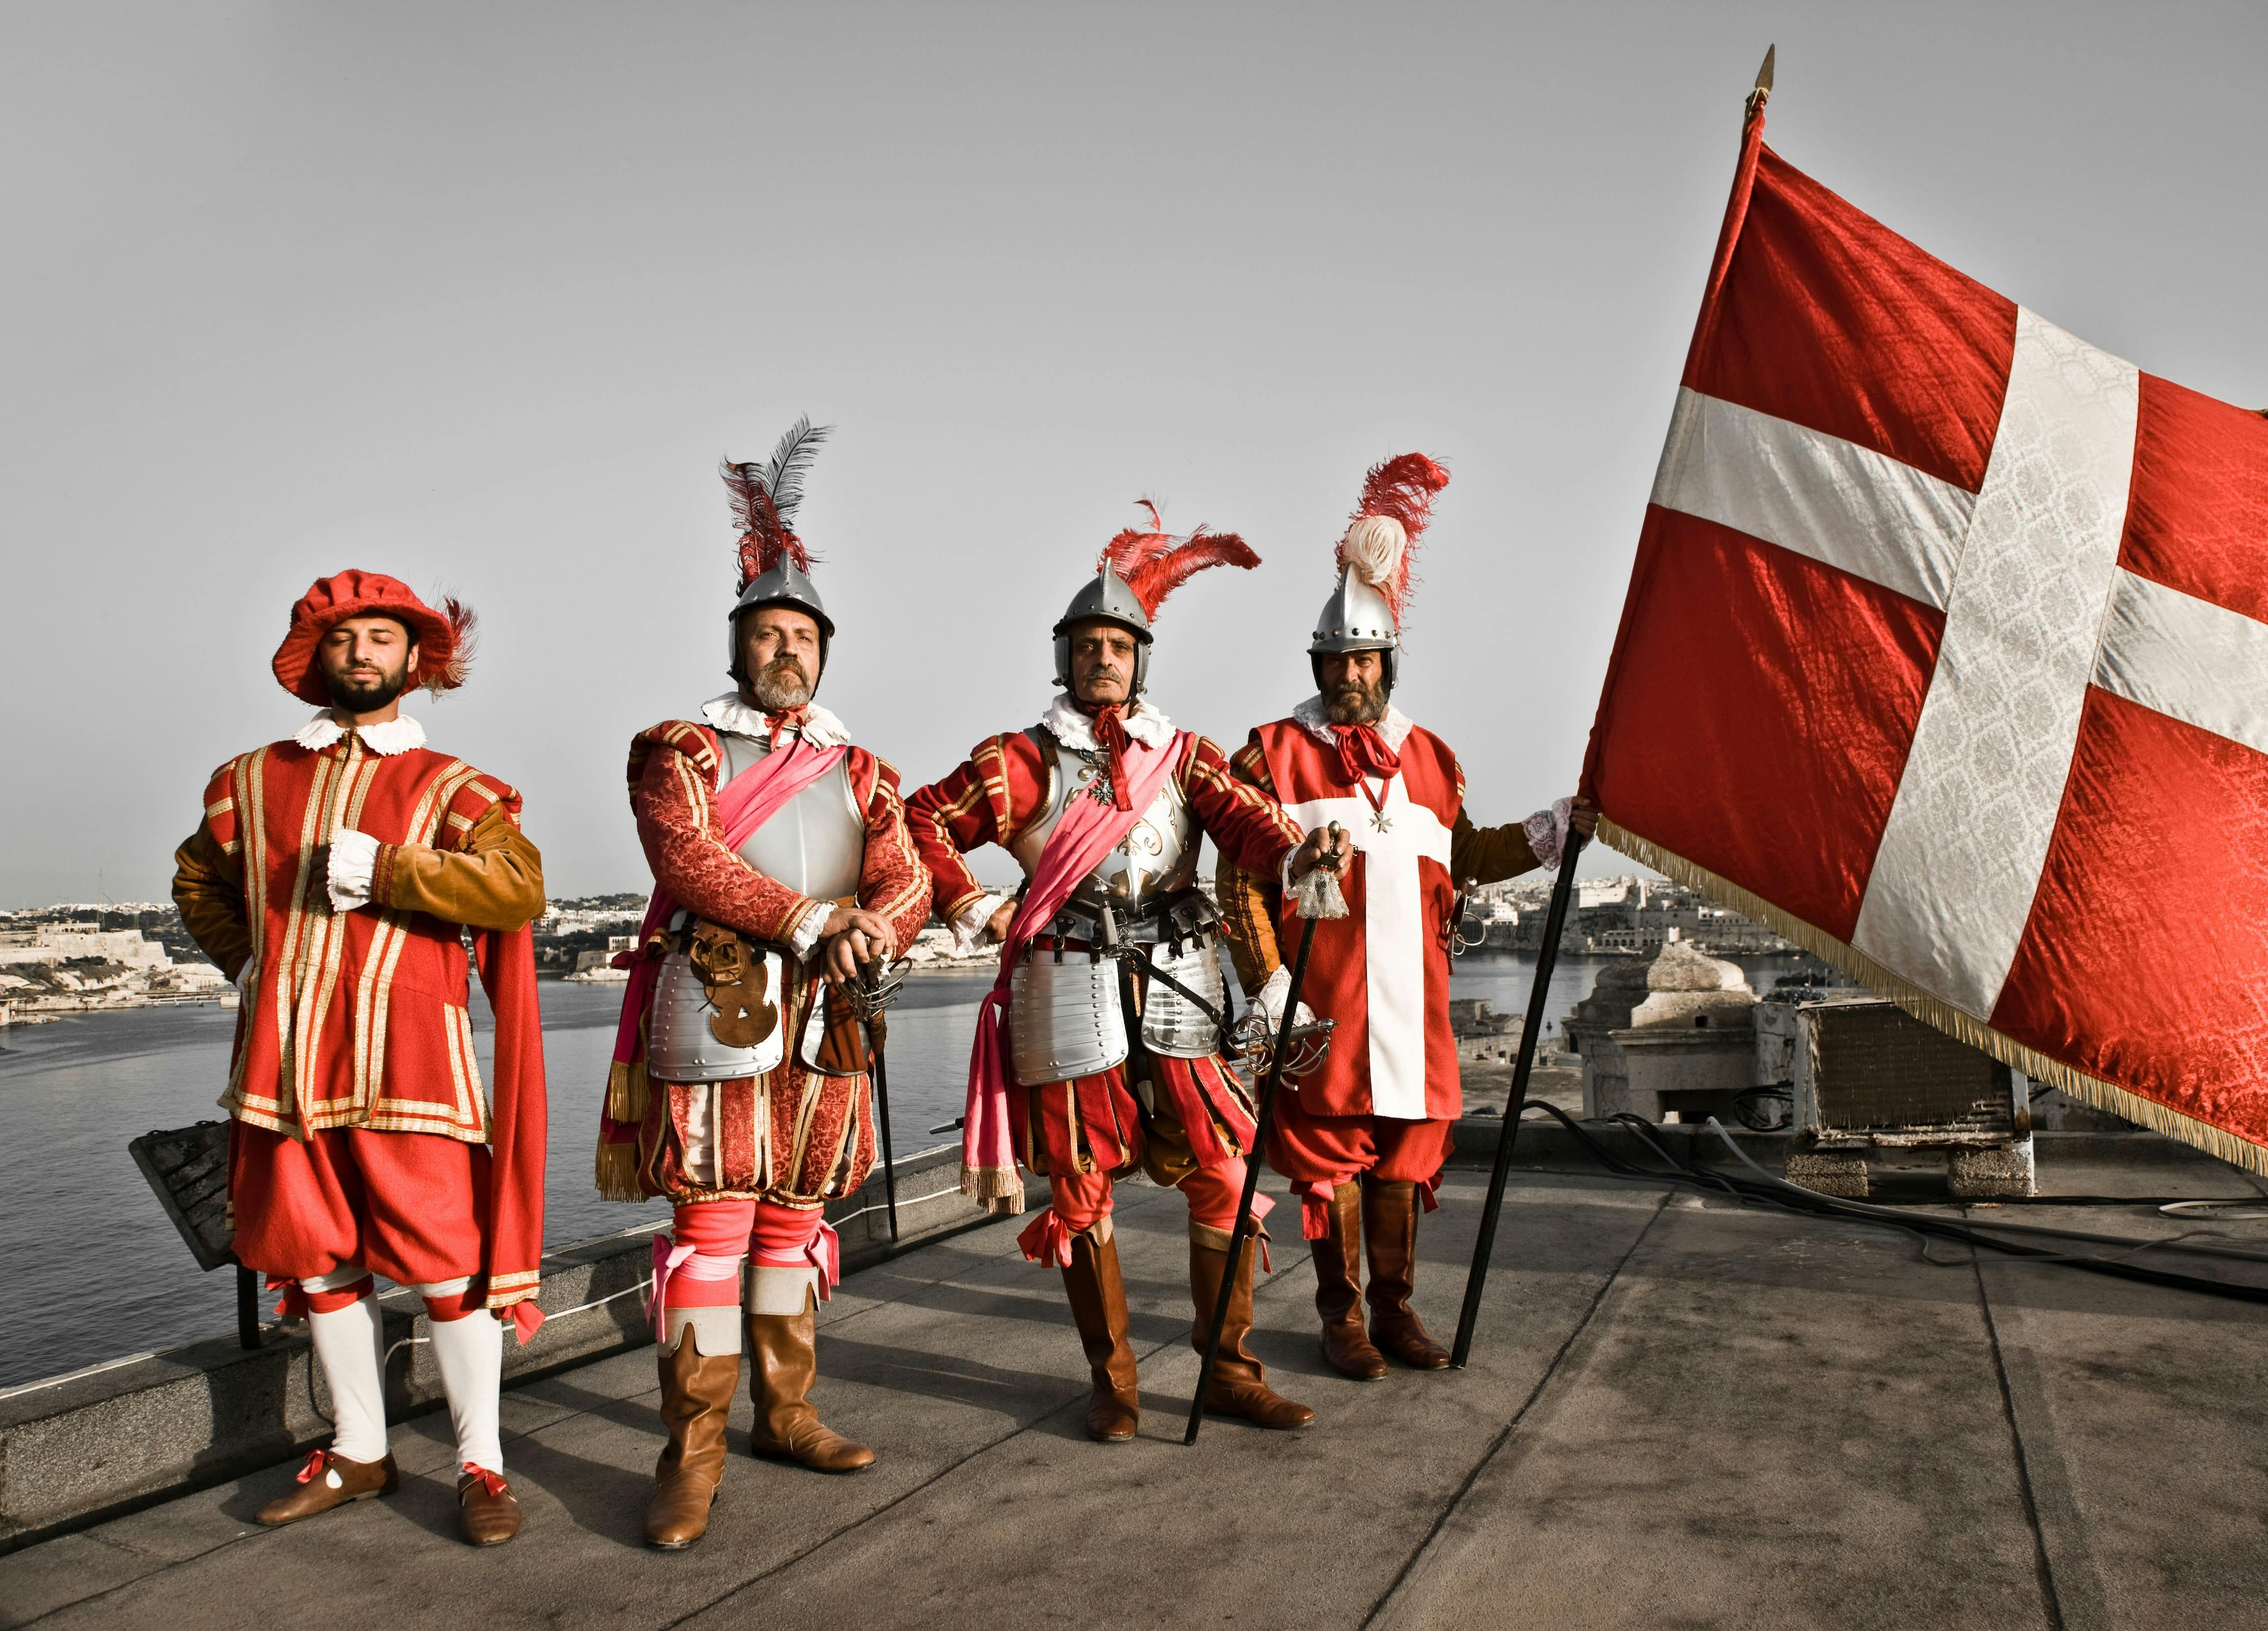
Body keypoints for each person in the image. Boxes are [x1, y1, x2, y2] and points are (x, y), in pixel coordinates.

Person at [904, 504, 1350, 1440]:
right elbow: (920, 823)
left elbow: (1251, 827)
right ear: (1063, 656)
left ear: (1140, 659)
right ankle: (1114, 1383)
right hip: (1066, 979)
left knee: (1225, 1173)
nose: (1103, 658)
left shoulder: (1183, 756)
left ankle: (1228, 1368)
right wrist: (974, 905)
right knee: (1079, 1189)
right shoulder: (1017, 759)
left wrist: (1302, 858)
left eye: (1119, 644)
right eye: (1087, 644)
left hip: (1182, 976)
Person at [595, 416, 932, 1550]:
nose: (786, 651)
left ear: (823, 652)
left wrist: (873, 931)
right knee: (711, 1230)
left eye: (803, 636)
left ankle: (787, 1412)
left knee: (793, 1223)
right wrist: (809, 918)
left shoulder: (863, 769)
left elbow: (910, 876)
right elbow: (685, 857)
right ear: (739, 644)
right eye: (768, 633)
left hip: (829, 1016)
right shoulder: (678, 747)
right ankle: (689, 1455)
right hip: (723, 999)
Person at [171, 570, 548, 1546]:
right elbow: (197, 876)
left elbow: (517, 886)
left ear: (412, 657)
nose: (361, 653)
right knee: (321, 1259)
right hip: (288, 1068)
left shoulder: (451, 784)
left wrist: (388, 871)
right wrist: (246, 955)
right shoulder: (246, 782)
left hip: (413, 1064)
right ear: (315, 656)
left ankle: (482, 1463)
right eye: (343, 637)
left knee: (447, 1264)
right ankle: (360, 1449)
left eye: (381, 636)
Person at [1217, 455, 1595, 1379]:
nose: (1350, 673)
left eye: (1364, 659)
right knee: (1333, 1164)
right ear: (1317, 664)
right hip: (1326, 1007)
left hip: (1414, 1010)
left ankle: (1394, 1313)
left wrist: (1557, 828)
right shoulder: (1268, 757)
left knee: (1402, 1158)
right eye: (1335, 660)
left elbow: (1463, 855)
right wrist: (1271, 991)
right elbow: (1238, 887)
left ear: (1388, 662)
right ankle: (1341, 1318)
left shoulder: (1435, 760)